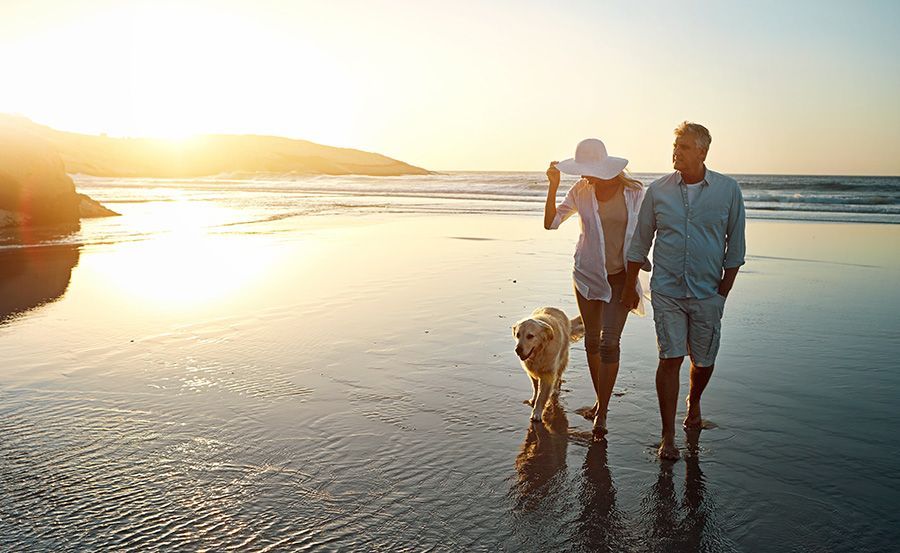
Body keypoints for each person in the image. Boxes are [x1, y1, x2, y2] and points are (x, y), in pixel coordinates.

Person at [622, 122, 746, 460]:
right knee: (670, 357)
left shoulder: (728, 190)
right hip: (667, 290)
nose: (676, 151)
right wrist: (629, 285)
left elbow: (735, 248)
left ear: (703, 151)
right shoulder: (658, 191)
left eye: (685, 146)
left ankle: (694, 402)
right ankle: (667, 435)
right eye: (675, 145)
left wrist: (722, 295)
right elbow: (640, 242)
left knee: (703, 362)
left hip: (708, 293)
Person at [544, 138, 648, 439]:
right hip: (588, 275)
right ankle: (600, 402)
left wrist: (634, 283)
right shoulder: (581, 191)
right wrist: (554, 185)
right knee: (591, 340)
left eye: (587, 169)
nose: (583, 175)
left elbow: (645, 236)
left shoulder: (635, 193)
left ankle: (601, 413)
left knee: (609, 343)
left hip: (622, 278)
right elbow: (551, 223)